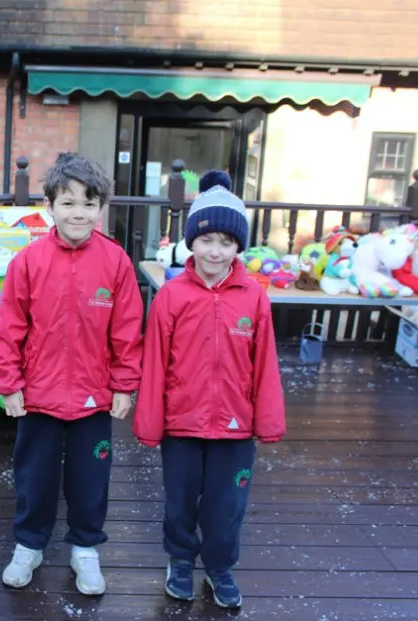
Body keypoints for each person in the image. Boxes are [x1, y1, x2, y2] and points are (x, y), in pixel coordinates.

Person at [0, 152, 144, 596]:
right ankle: (29, 544)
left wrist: (124, 384)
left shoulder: (115, 263)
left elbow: (127, 330)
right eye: (68, 202)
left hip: (94, 397)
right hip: (38, 395)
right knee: (34, 474)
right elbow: (8, 328)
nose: (79, 213)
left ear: (101, 208)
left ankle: (85, 548)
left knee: (90, 476)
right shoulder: (28, 262)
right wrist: (9, 384)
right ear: (50, 206)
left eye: (89, 203)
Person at [132, 170, 286, 609]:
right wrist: (150, 423)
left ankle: (220, 566)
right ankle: (180, 559)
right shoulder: (172, 296)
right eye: (206, 240)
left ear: (239, 246)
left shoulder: (253, 298)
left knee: (226, 506)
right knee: (180, 501)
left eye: (225, 241)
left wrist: (267, 420)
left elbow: (265, 365)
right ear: (190, 244)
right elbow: (156, 363)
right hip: (182, 423)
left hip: (236, 428)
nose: (215, 251)